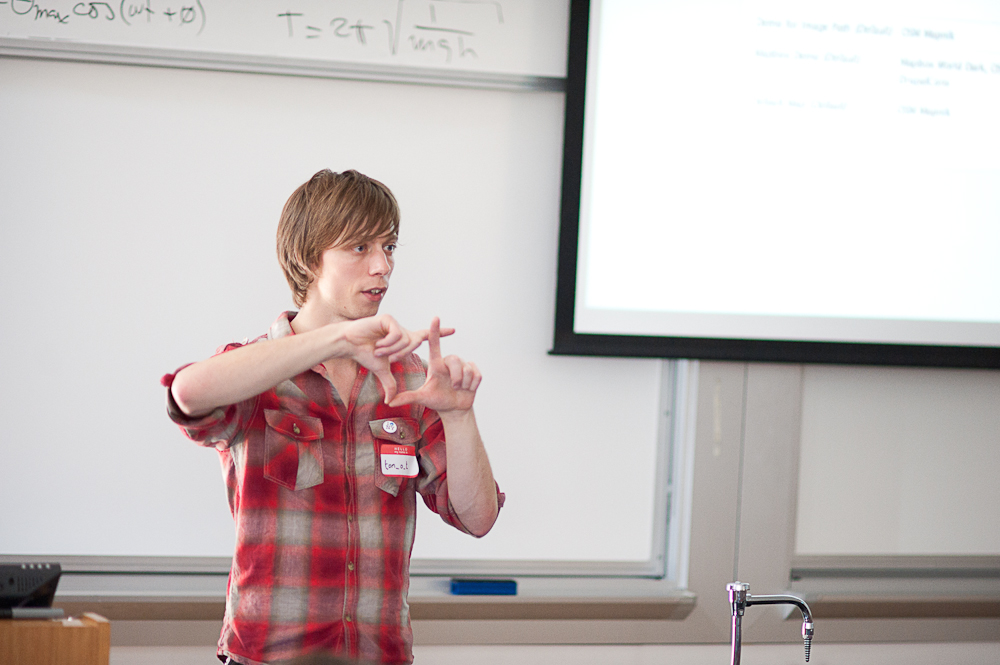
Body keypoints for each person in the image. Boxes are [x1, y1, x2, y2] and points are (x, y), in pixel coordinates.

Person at [161, 169, 503, 665]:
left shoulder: (411, 378)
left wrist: (459, 416)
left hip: (378, 655)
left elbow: (479, 517)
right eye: (360, 248)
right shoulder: (254, 370)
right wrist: (339, 338)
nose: (382, 266)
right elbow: (187, 392)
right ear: (308, 257)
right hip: (267, 656)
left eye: (389, 248)